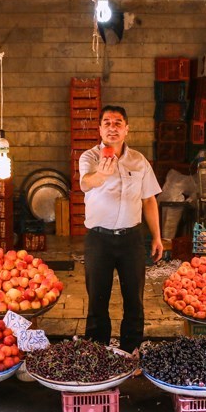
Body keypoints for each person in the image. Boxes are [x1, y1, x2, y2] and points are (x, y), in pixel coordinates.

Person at [79, 105, 163, 354]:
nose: (112, 127)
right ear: (100, 129)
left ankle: (131, 351)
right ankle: (96, 353)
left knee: (134, 300)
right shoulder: (90, 157)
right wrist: (101, 174)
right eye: (107, 122)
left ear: (127, 129)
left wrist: (157, 236)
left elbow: (149, 199)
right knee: (97, 299)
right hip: (98, 239)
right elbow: (85, 183)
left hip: (131, 239)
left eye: (118, 123)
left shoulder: (138, 160)